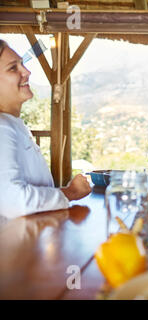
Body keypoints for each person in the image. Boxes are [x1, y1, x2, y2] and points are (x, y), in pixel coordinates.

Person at [0, 40, 91, 223]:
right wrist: (70, 192)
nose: (27, 72)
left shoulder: (13, 124)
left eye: (22, 64)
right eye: (12, 68)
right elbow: (13, 201)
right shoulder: (2, 128)